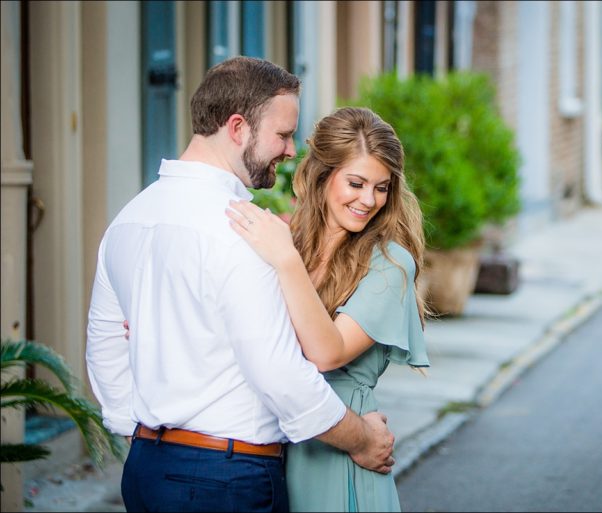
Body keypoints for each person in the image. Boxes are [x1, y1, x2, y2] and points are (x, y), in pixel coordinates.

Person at [85, 57, 395, 513]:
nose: (291, 151)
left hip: (145, 472)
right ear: (237, 128)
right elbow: (283, 377)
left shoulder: (129, 220)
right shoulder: (244, 233)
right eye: (284, 135)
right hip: (226, 479)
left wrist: (144, 430)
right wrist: (363, 439)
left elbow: (105, 344)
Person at [225, 106, 430, 512]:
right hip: (272, 442)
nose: (368, 200)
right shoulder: (288, 238)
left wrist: (285, 260)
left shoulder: (390, 263)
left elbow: (329, 351)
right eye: (356, 183)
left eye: (382, 187)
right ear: (322, 175)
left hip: (343, 451)